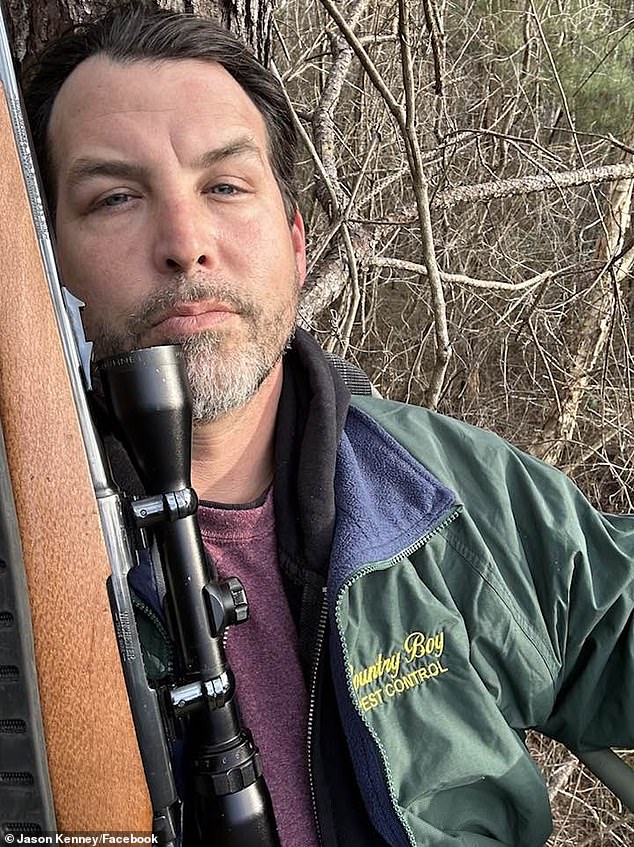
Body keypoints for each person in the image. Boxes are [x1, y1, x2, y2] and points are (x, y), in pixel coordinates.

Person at [23, 2, 634, 845]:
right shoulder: (24, 573)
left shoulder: (440, 492)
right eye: (117, 196)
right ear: (43, 266)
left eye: (226, 185)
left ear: (297, 240)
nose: (185, 241)